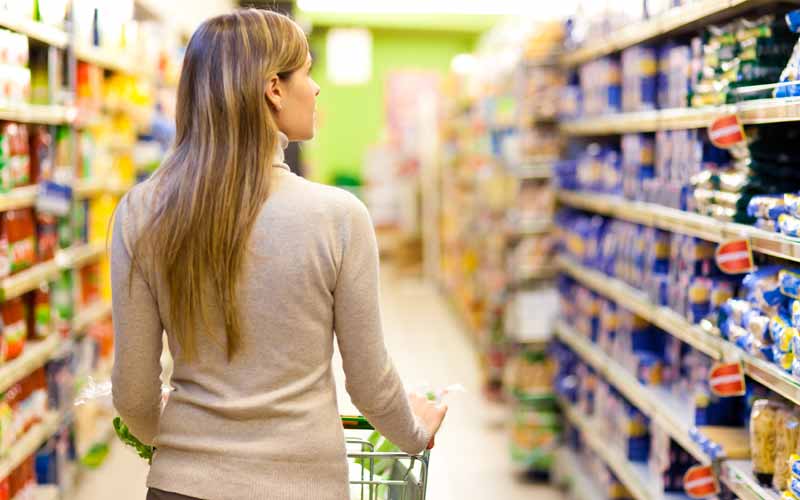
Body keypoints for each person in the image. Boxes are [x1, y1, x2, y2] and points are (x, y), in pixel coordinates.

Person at [110, 9, 447, 500]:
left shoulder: (142, 212)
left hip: (178, 487)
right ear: (274, 88)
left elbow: (134, 395)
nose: (315, 90)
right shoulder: (337, 217)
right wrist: (416, 431)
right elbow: (370, 384)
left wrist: (190, 448)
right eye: (307, 73)